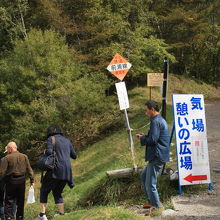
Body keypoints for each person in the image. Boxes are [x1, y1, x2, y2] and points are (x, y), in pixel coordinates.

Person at [36, 125, 77, 220]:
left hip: (55, 170)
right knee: (57, 192)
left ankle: (42, 215)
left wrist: (45, 151)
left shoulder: (51, 139)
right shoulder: (67, 140)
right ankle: (62, 214)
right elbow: (74, 156)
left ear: (50, 132)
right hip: (67, 172)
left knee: (44, 190)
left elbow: (50, 151)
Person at [136, 100, 170, 215]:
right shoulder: (158, 120)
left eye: (146, 111)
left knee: (150, 183)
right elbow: (154, 137)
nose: (146, 113)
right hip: (157, 154)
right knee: (144, 176)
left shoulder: (156, 121)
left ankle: (157, 207)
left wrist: (142, 139)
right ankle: (151, 201)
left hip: (157, 155)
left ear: (152, 109)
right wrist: (144, 136)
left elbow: (153, 140)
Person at [0, 142, 34, 220]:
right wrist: (32, 180)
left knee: (9, 202)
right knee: (20, 202)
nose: (7, 151)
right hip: (22, 181)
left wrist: (2, 180)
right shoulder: (24, 156)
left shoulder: (7, 158)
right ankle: (20, 217)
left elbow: (2, 172)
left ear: (10, 148)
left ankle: (9, 218)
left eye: (8, 149)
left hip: (11, 181)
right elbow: (29, 169)